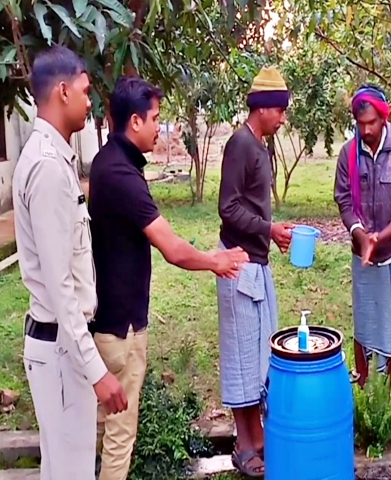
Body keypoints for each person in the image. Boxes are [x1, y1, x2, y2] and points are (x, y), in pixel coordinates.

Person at [88, 76, 248, 480]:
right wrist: (216, 260)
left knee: (102, 430)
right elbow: (172, 248)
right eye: (156, 118)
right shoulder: (120, 175)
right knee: (118, 437)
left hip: (108, 320)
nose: (161, 128)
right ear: (135, 121)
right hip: (119, 329)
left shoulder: (108, 164)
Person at [12, 46, 127, 480]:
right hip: (60, 347)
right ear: (62, 91)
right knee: (70, 473)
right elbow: (61, 289)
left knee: (66, 469)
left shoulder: (56, 158)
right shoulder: (46, 169)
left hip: (64, 348)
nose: (88, 102)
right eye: (83, 91)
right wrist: (97, 372)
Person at [217, 66, 293, 477]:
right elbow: (227, 208)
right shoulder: (241, 145)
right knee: (243, 359)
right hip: (237, 264)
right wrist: (268, 229)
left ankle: (256, 435)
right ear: (261, 108)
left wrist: (274, 235)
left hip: (256, 262)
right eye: (279, 110)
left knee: (259, 355)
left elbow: (251, 206)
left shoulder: (259, 145)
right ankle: (244, 442)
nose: (283, 118)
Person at [333, 84, 391, 387]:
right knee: (365, 322)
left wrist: (380, 237)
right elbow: (343, 200)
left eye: (372, 122)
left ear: (384, 118)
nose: (366, 130)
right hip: (363, 257)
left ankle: (386, 386)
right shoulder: (348, 154)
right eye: (361, 124)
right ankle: (365, 379)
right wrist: (359, 234)